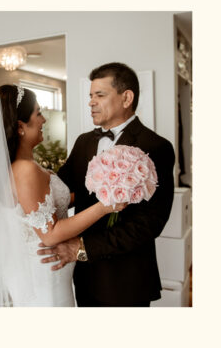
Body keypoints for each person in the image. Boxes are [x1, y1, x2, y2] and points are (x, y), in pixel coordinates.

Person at [0, 85, 125, 306]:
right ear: (21, 126)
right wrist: (105, 206)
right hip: (43, 276)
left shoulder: (25, 167)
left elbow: (41, 206)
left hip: (49, 272)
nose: (44, 120)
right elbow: (49, 234)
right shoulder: (25, 170)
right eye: (38, 113)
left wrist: (104, 185)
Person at [38, 62, 176, 307]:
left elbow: (149, 224)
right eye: (90, 96)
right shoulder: (83, 142)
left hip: (126, 278)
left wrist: (81, 248)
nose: (91, 102)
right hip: (84, 275)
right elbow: (61, 191)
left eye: (99, 95)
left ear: (126, 98)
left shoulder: (156, 146)